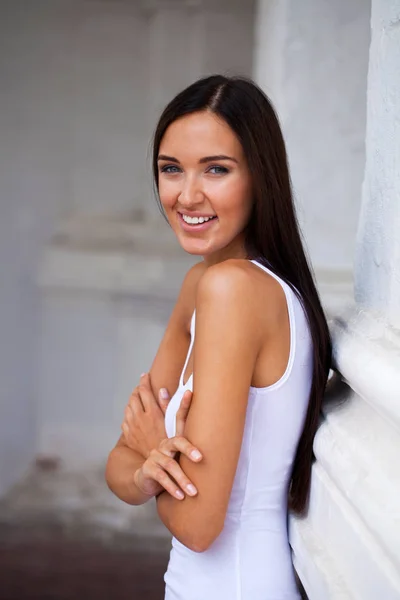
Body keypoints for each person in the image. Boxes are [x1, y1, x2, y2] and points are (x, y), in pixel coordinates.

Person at [105, 74, 332, 600]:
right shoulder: (204, 285)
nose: (187, 195)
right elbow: (119, 464)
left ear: (260, 177)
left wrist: (154, 451)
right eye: (170, 169)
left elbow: (198, 524)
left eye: (216, 169)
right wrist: (145, 470)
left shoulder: (235, 292)